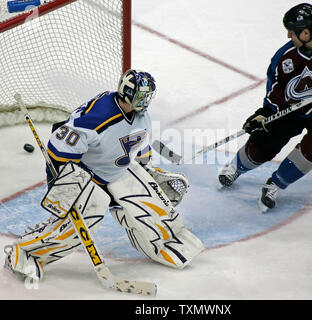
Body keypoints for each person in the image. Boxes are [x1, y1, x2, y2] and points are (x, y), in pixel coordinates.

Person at [4, 69, 204, 281]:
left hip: (118, 169)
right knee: (79, 226)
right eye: (141, 96)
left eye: (148, 96)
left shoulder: (140, 115)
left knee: (153, 205)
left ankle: (166, 244)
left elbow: (139, 142)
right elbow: (56, 147)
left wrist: (146, 168)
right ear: (127, 92)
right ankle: (26, 253)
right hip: (86, 176)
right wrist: (63, 185)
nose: (145, 101)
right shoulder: (99, 118)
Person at [218, 3, 312, 212]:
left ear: (305, 32)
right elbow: (275, 92)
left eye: (292, 31)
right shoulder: (284, 58)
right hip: (294, 110)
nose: (289, 36)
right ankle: (236, 167)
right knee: (263, 142)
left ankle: (275, 184)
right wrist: (265, 113)